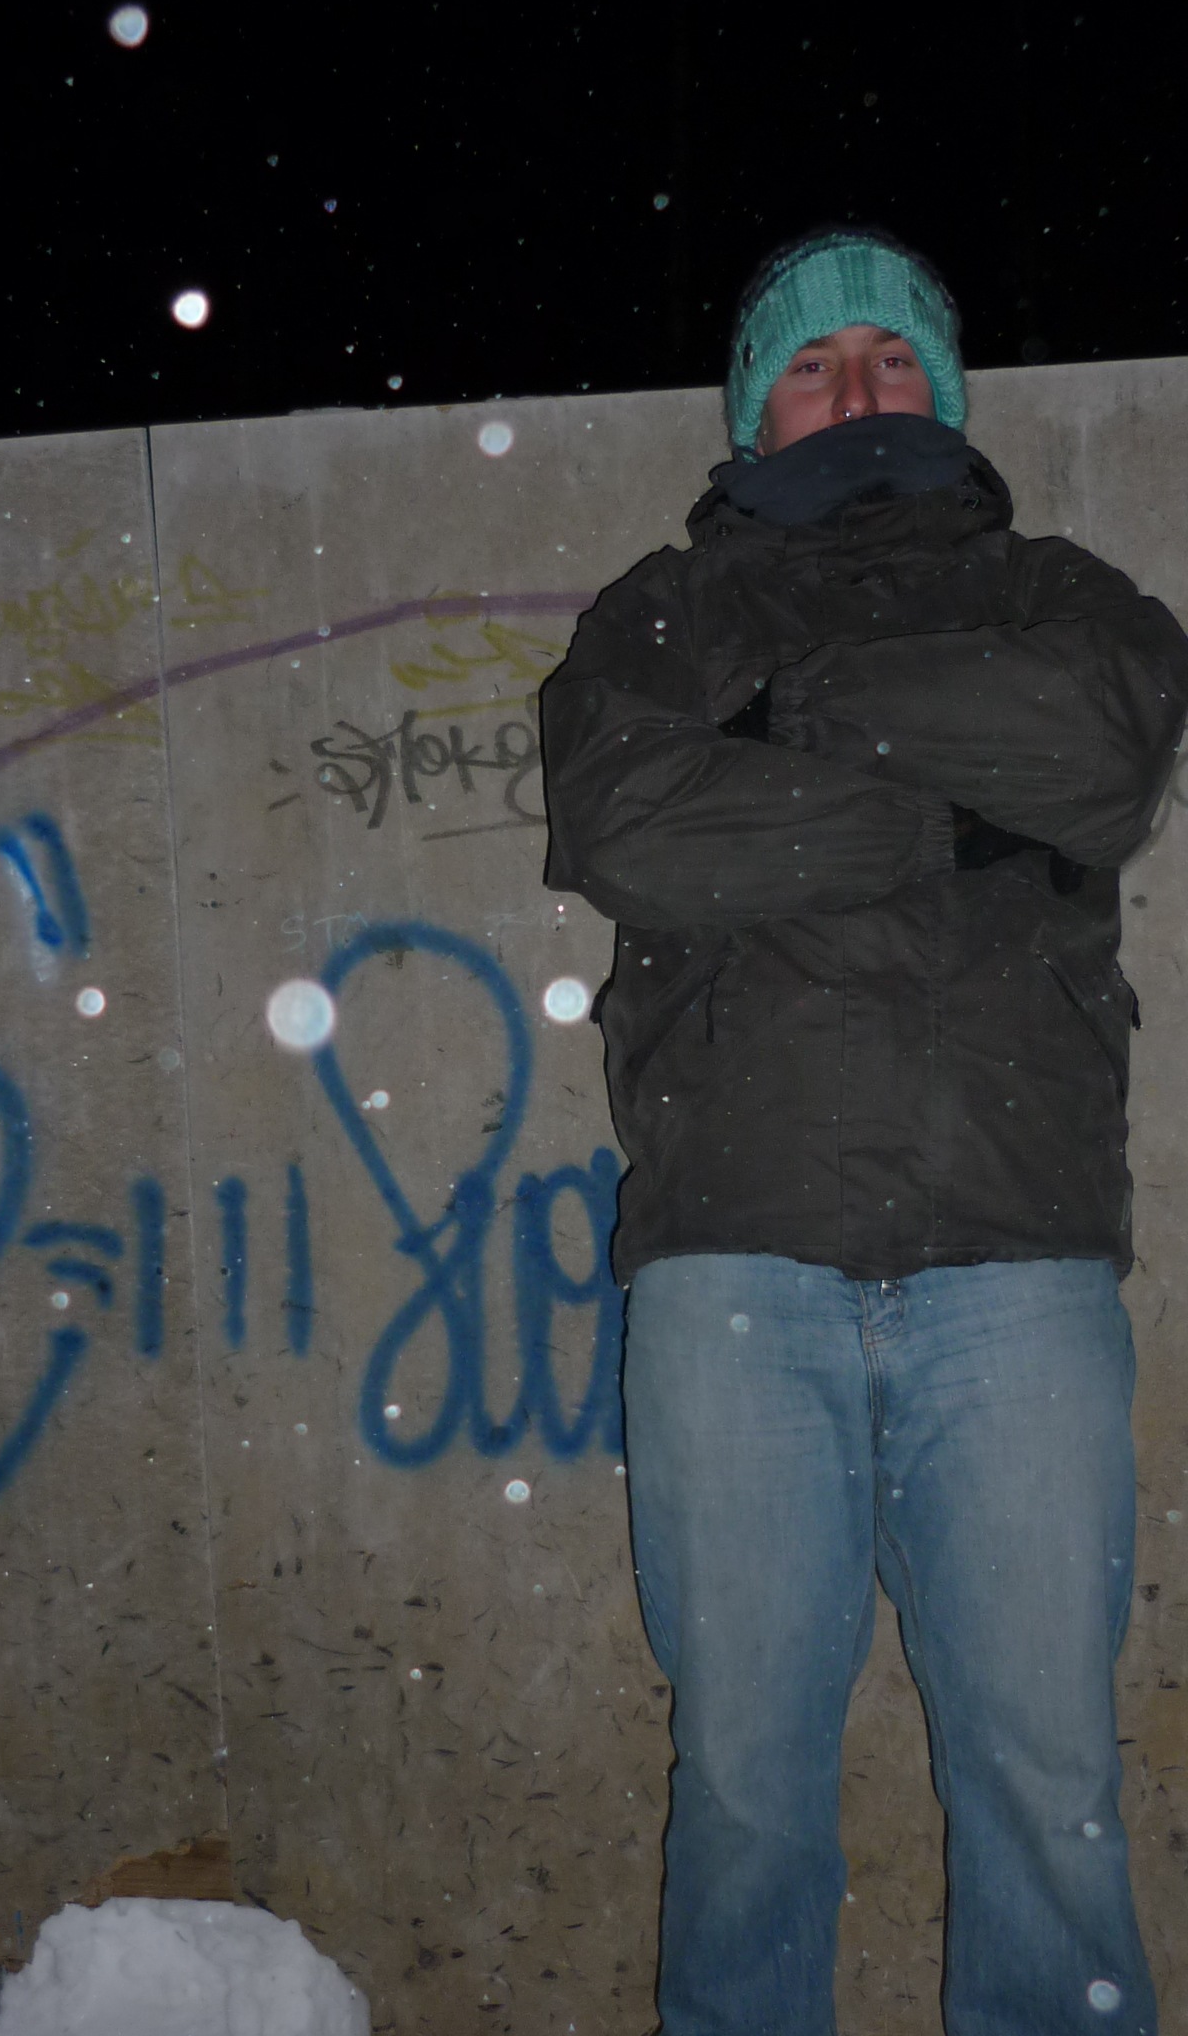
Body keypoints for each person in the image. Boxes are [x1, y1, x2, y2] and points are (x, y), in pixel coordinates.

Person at [538, 224, 1188, 2036]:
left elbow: (1103, 762)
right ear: (754, 409)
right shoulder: (664, 615)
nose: (855, 388)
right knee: (748, 1796)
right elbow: (627, 826)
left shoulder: (1060, 593)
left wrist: (798, 718)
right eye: (813, 366)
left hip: (1017, 1271)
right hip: (736, 1274)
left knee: (1047, 1783)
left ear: (945, 392)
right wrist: (949, 819)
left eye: (890, 357)